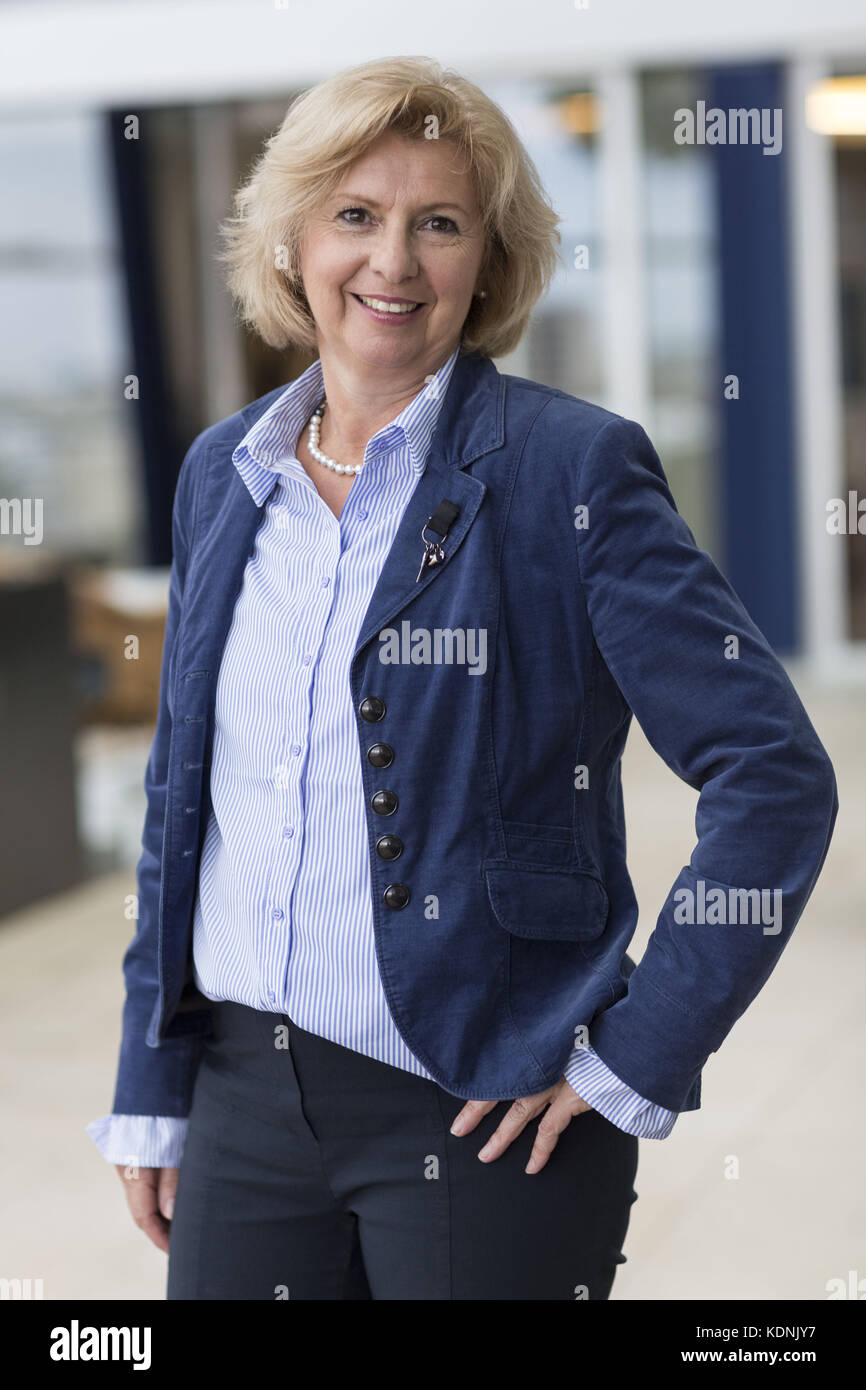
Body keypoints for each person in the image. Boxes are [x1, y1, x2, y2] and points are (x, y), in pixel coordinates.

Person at [87, 55, 837, 1301]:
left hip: (482, 1106)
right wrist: (150, 1081)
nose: (391, 262)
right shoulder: (223, 471)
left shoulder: (570, 471)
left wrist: (631, 1057)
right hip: (239, 1107)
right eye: (354, 217)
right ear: (290, 244)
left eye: (438, 223)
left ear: (487, 262)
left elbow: (772, 777)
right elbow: (185, 798)